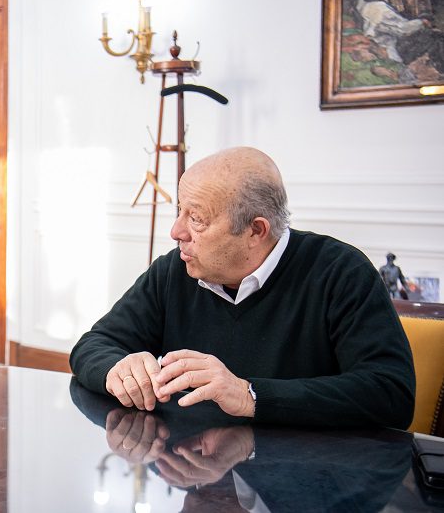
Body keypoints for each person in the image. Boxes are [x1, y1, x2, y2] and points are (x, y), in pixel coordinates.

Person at [69, 147, 415, 429]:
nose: (176, 231)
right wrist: (119, 369)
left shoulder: (341, 272)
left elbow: (390, 394)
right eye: (180, 211)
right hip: (194, 476)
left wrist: (249, 395)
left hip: (303, 487)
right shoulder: (175, 270)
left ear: (255, 231)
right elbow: (94, 345)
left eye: (197, 219)